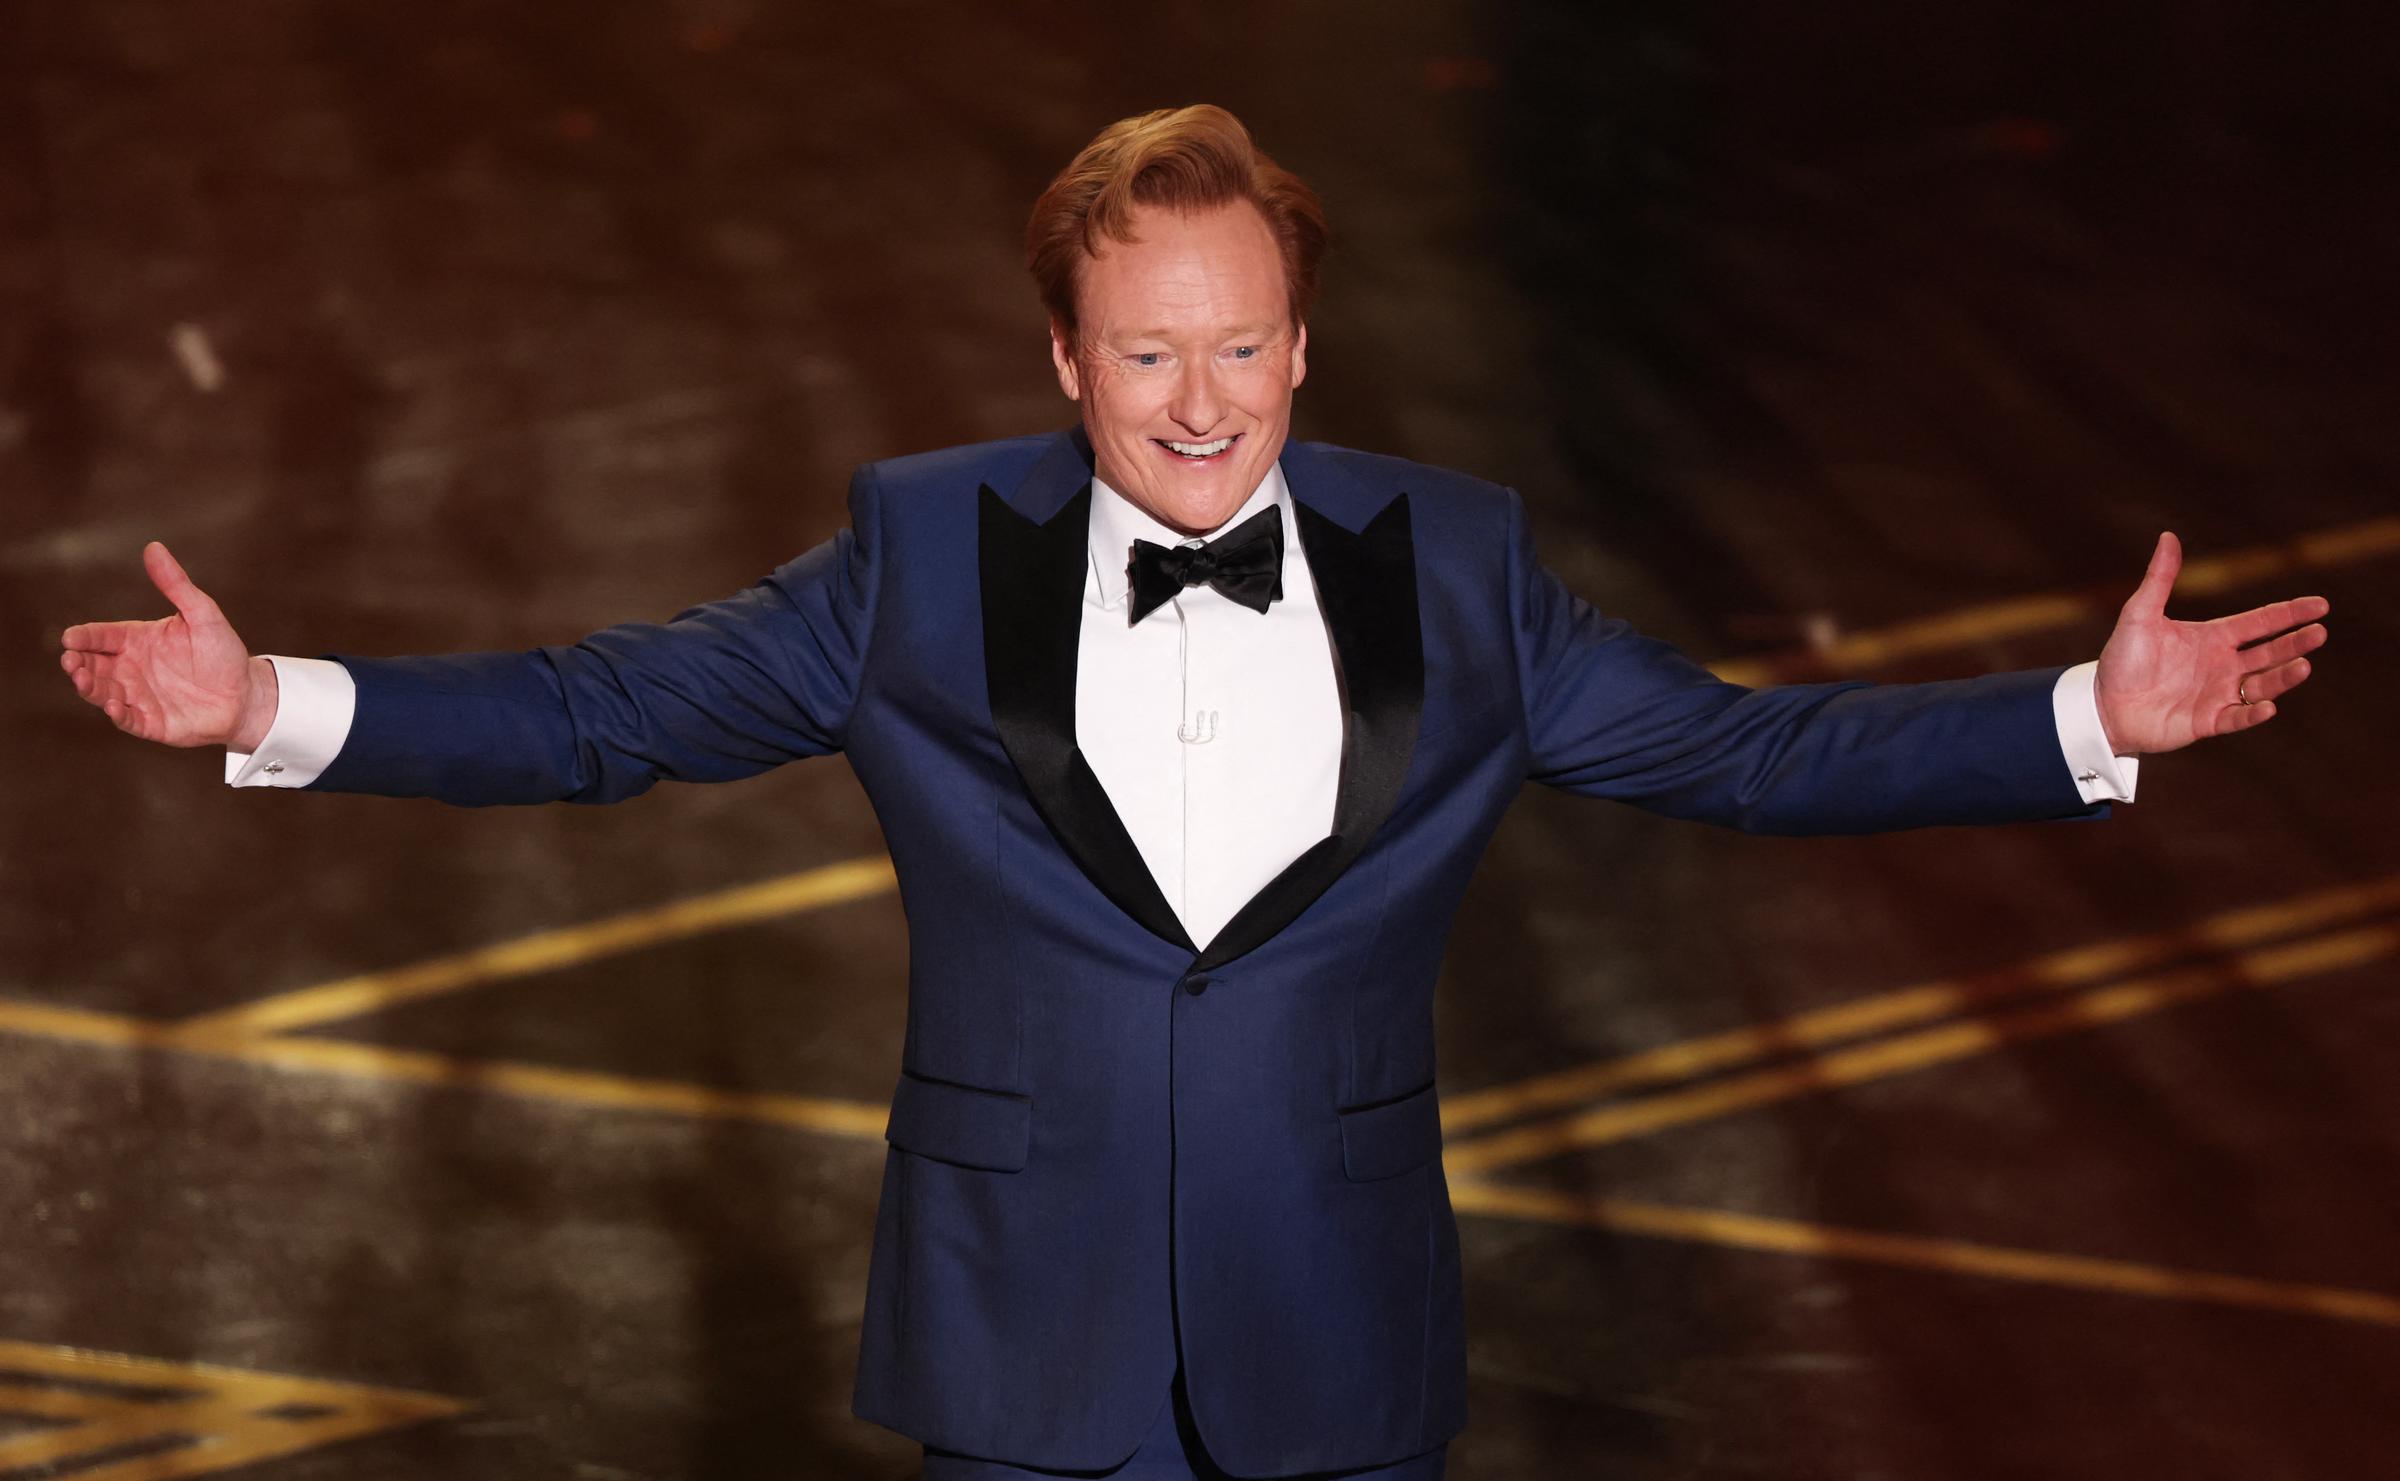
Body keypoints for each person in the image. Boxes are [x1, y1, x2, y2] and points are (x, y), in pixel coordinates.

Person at [56, 105, 2328, 1480]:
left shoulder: (1459, 560)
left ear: (1307, 344)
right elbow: (599, 713)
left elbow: (1745, 751)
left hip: (1337, 1347)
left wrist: (2082, 723)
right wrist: (283, 699)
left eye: (1243, 344)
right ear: (1065, 358)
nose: (1203, 400)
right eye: (1148, 352)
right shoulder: (918, 554)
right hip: (1025, 1352)